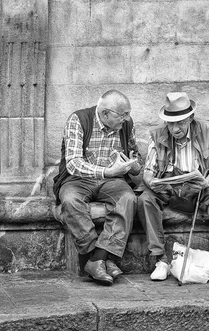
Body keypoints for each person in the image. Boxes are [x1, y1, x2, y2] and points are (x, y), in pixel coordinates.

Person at [137, 92, 209, 282]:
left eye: (180, 123)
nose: (175, 128)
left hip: (200, 183)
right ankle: (160, 260)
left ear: (190, 118)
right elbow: (148, 171)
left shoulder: (208, 130)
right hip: (169, 186)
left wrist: (206, 182)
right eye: (170, 123)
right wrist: (152, 182)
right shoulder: (157, 135)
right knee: (145, 199)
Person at [53, 90, 143, 286]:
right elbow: (73, 164)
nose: (127, 119)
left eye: (128, 114)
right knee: (70, 201)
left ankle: (96, 260)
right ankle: (100, 258)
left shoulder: (126, 125)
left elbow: (136, 155)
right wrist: (107, 172)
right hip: (77, 179)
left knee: (128, 198)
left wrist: (134, 165)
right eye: (123, 115)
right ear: (105, 114)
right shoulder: (78, 120)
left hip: (111, 182)